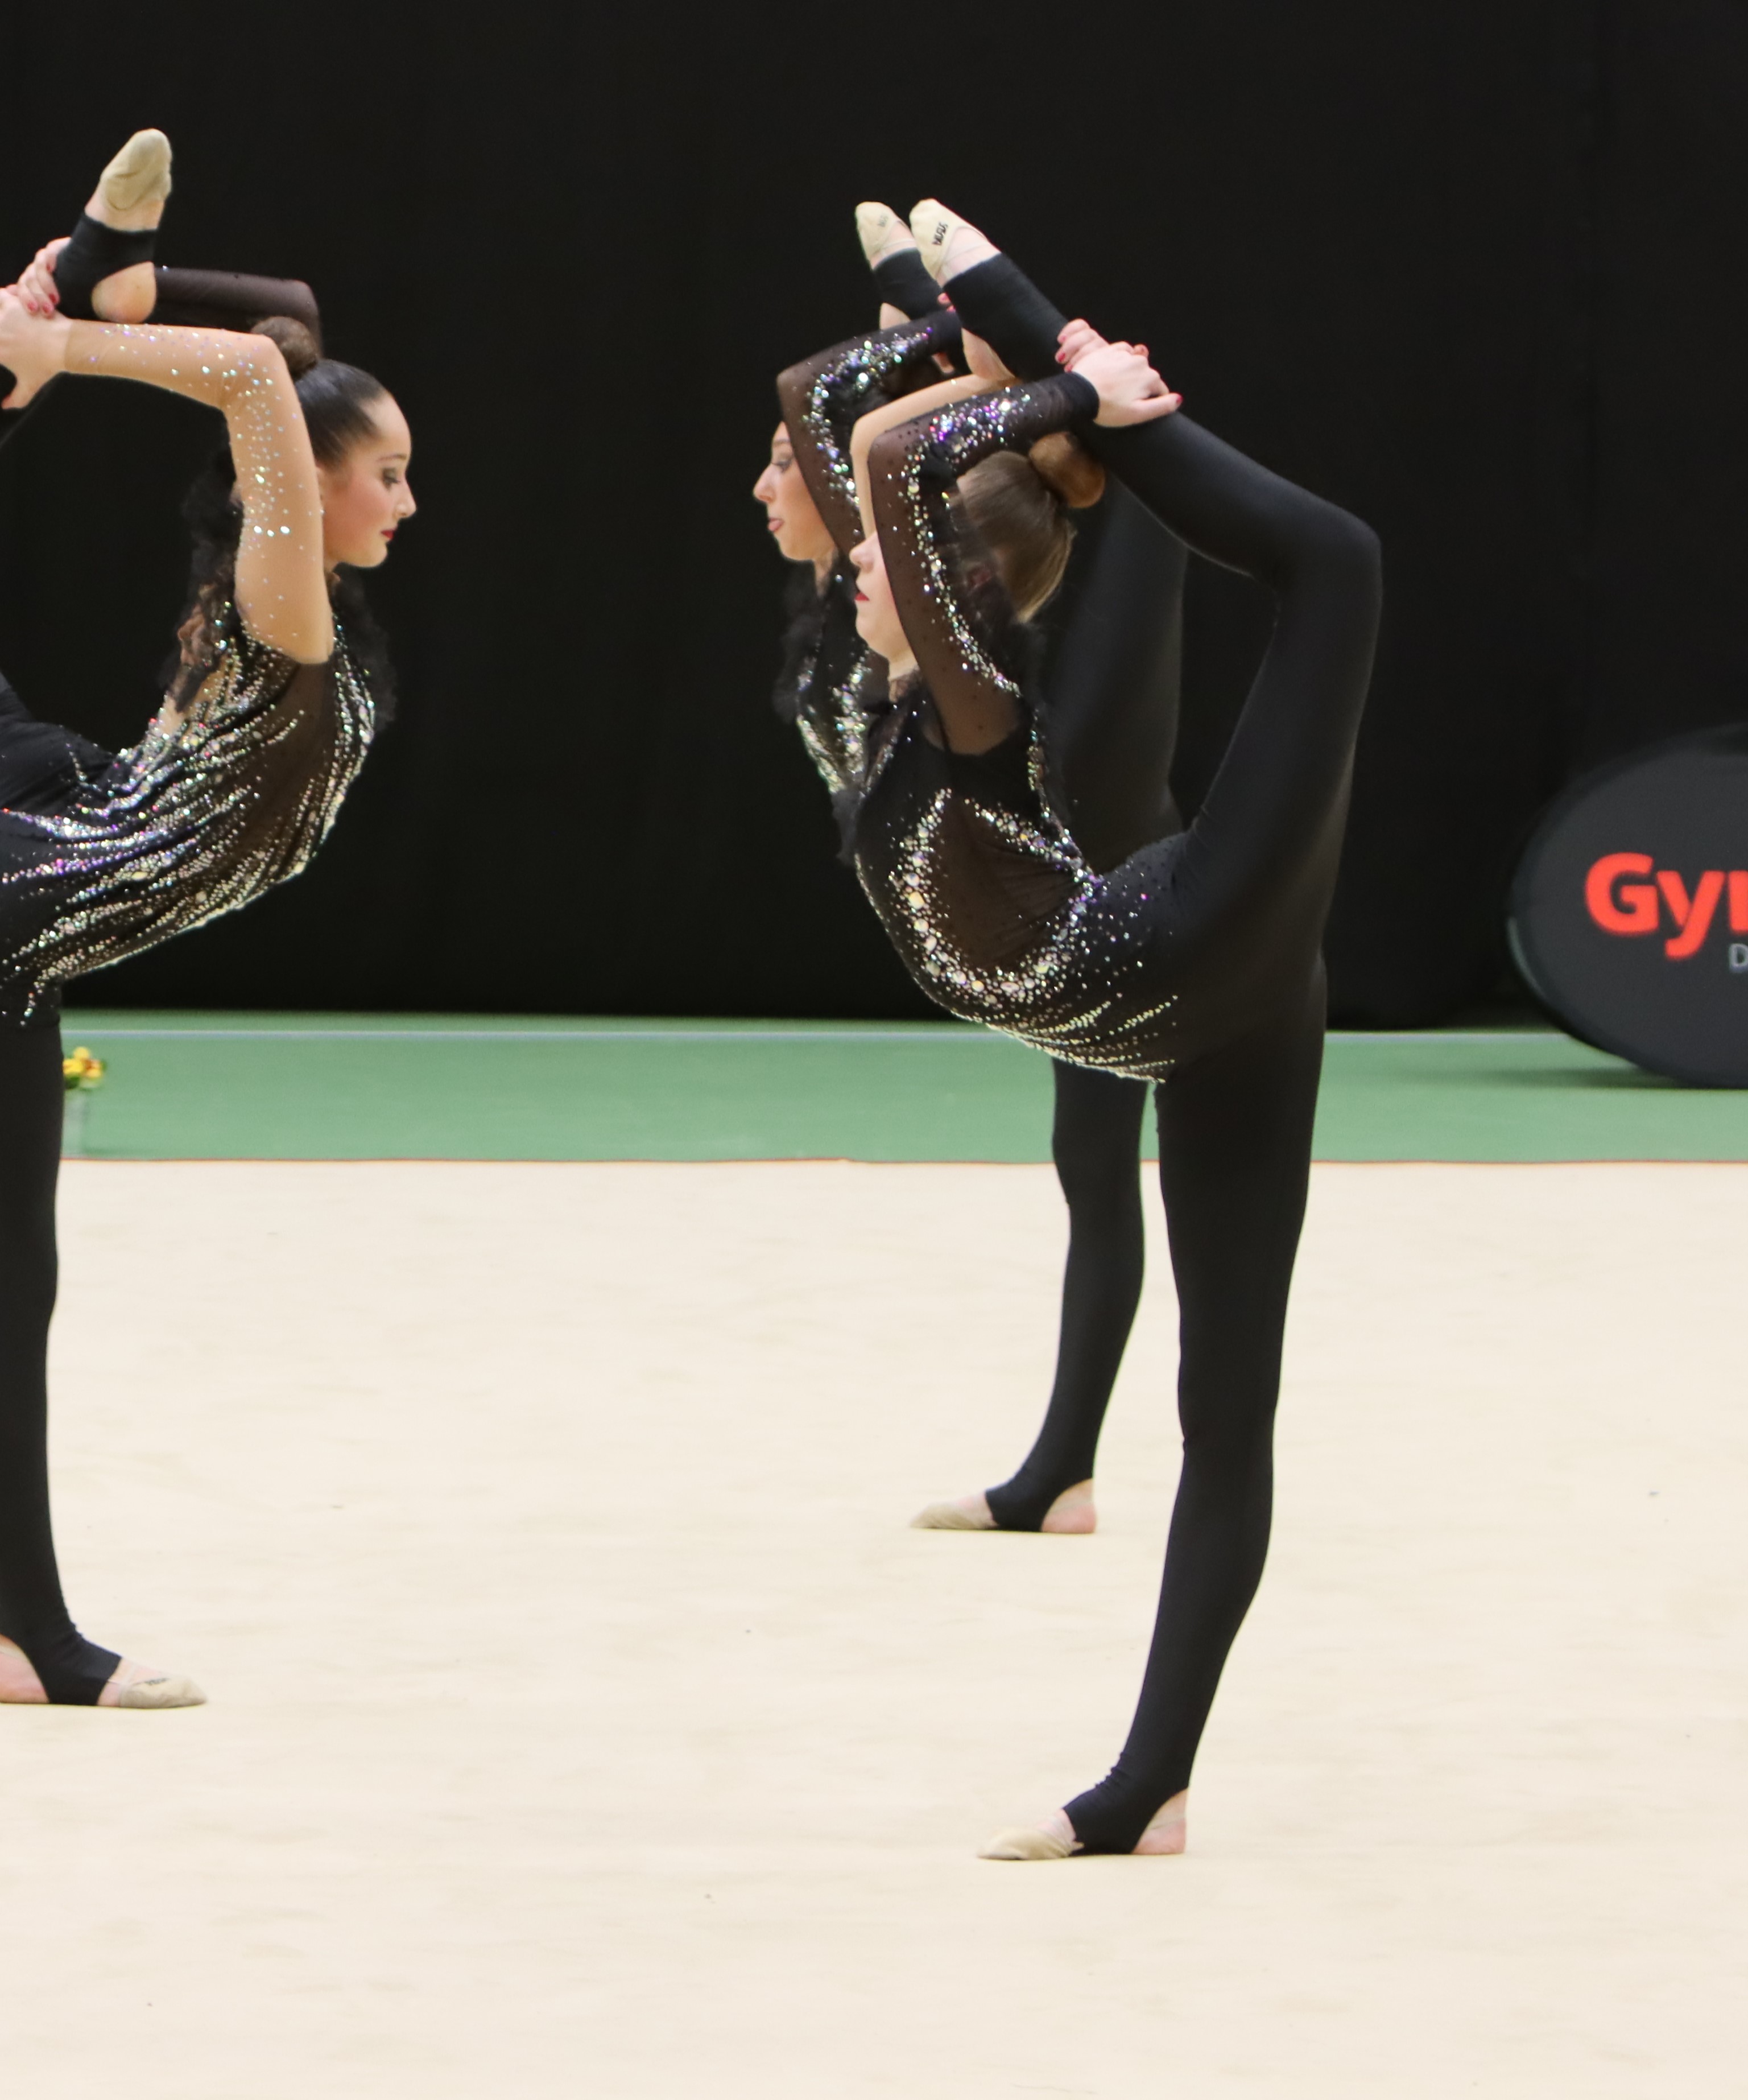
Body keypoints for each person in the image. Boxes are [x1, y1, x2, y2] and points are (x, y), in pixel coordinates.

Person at [778, 203, 1379, 1858]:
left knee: (1337, 564)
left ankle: (1144, 1780)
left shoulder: (972, 717)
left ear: (956, 589)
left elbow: (898, 466)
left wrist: (1050, 364)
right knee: (1220, 1404)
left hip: (1194, 940)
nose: (848, 560)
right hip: (1177, 1020)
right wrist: (965, 343)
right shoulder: (875, 680)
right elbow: (866, 442)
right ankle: (1152, 1792)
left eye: (883, 558)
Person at [0, 131, 417, 1709]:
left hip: (22, 789)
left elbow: (281, 325)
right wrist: (58, 350)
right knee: (10, 1273)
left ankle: (85, 258)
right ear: (311, 488)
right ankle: (34, 1636)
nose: (409, 502)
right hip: (5, 900)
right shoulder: (288, 601)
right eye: (390, 474)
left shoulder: (290, 586)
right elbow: (260, 383)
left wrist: (96, 296)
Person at [755, 207, 1190, 1538]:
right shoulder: (865, 582)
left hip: (1077, 874)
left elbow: (824, 406)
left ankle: (1067, 1468)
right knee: (1091, 1166)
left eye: (780, 468)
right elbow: (831, 412)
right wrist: (938, 337)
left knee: (1110, 1169)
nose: (772, 481)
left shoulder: (928, 607)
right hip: (1011, 878)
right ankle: (1064, 1468)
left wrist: (967, 342)